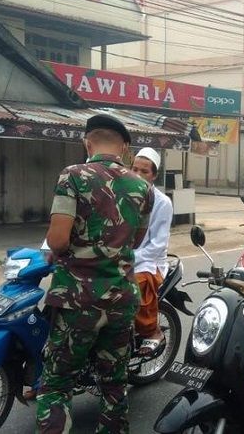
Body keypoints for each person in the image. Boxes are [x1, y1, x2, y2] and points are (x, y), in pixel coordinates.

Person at [37, 114, 153, 432]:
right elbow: (136, 240)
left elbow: (57, 240)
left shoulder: (73, 175)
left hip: (78, 301)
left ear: (87, 142)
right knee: (114, 384)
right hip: (120, 299)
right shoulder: (143, 187)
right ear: (125, 148)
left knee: (57, 385)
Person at [131, 147, 173, 356]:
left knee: (133, 287)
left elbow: (157, 245)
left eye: (144, 171)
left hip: (150, 262)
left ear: (154, 175)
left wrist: (129, 258)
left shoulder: (162, 202)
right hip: (120, 258)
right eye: (135, 169)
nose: (138, 175)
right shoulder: (123, 195)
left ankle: (152, 331)